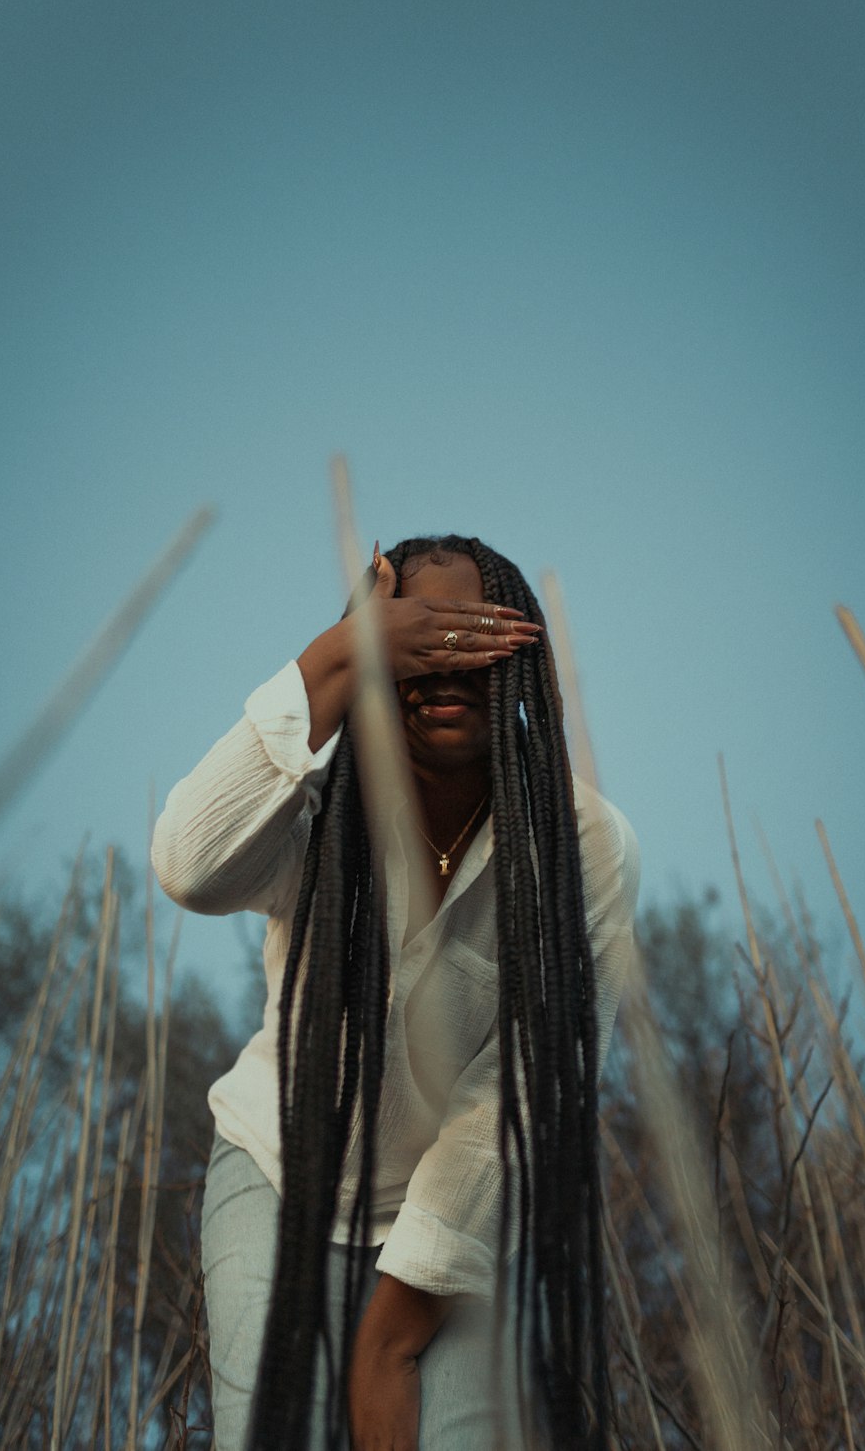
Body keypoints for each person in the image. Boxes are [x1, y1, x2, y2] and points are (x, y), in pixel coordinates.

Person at [151, 534, 639, 1451]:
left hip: (461, 1214)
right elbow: (190, 867)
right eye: (414, 643)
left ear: (522, 657)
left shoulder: (583, 846)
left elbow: (527, 1099)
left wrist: (394, 1329)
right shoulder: (317, 809)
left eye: (471, 637)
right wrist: (337, 652)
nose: (442, 667)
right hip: (278, 1179)